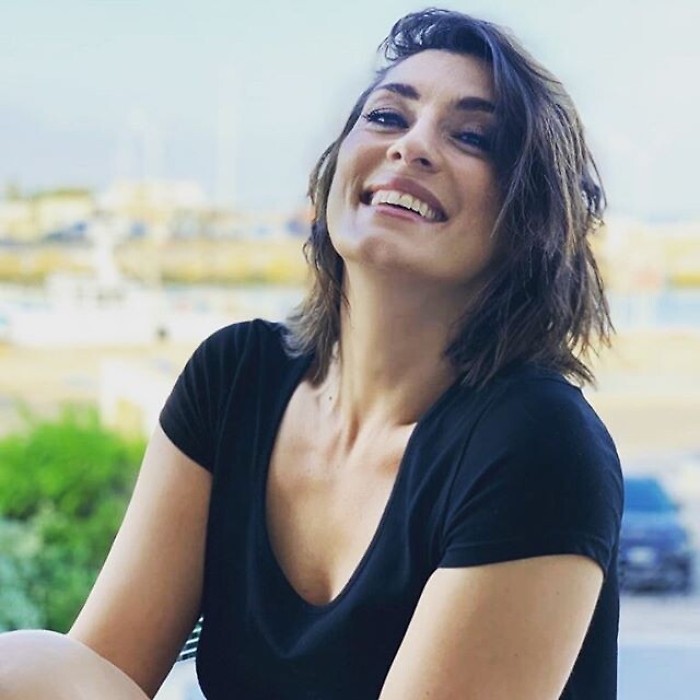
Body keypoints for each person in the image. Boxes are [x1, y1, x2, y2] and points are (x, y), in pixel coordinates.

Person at [0, 8, 623, 700]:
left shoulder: (538, 442)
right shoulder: (235, 379)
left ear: (531, 221)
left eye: (472, 136)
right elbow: (95, 676)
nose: (412, 146)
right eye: (386, 117)